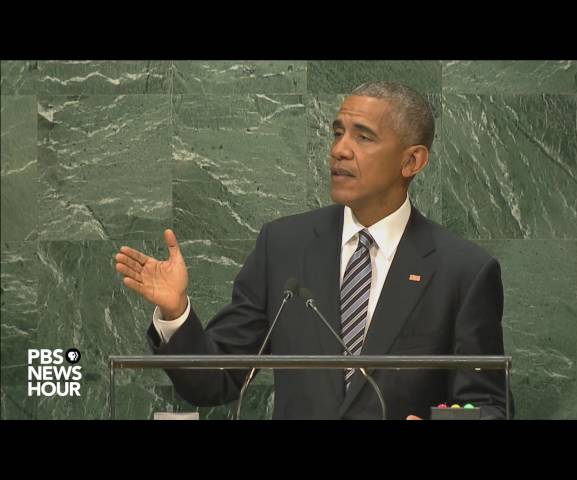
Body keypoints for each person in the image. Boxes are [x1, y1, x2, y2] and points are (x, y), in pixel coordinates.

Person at [114, 81, 512, 420]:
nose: (339, 149)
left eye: (363, 136)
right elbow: (216, 381)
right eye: (337, 132)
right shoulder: (285, 245)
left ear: (412, 160)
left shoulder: (463, 270)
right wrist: (175, 313)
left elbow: (488, 404)